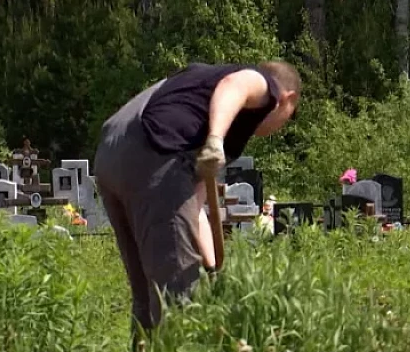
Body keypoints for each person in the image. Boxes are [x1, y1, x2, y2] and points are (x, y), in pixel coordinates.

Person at [93, 61, 301, 336]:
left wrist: (214, 269)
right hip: (154, 151)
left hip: (112, 153)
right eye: (290, 116)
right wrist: (215, 140)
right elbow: (234, 87)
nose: (282, 126)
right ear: (289, 99)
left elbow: (192, 206)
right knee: (178, 293)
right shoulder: (264, 86)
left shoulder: (199, 96)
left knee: (147, 291)